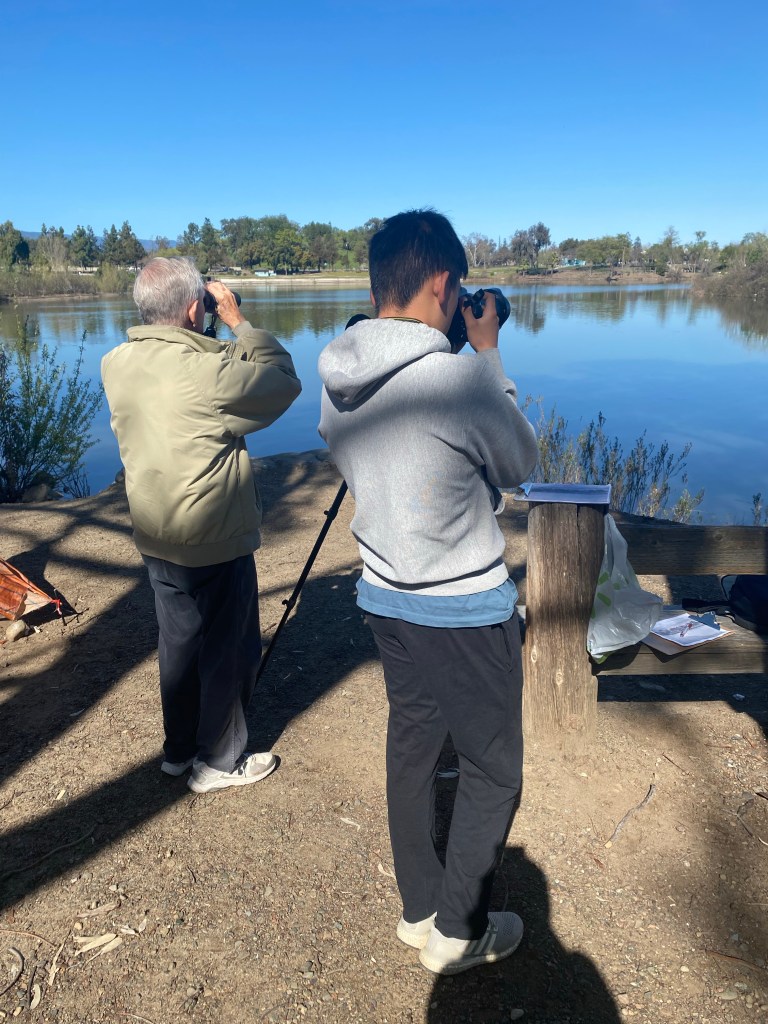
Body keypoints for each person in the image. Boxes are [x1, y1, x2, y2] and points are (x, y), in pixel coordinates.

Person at [317, 210, 538, 975]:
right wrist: (489, 353)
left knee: (413, 749)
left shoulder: (336, 378)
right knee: (492, 768)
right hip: (462, 605)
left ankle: (419, 910)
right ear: (444, 284)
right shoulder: (459, 379)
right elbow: (518, 463)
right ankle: (458, 932)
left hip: (386, 594)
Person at [102, 257, 301, 794]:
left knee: (179, 643)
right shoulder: (208, 373)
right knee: (228, 651)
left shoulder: (115, 363)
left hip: (156, 534)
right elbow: (284, 381)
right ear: (196, 309)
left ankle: (179, 749)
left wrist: (206, 334)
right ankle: (218, 761)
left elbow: (183, 368)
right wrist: (236, 321)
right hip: (213, 537)